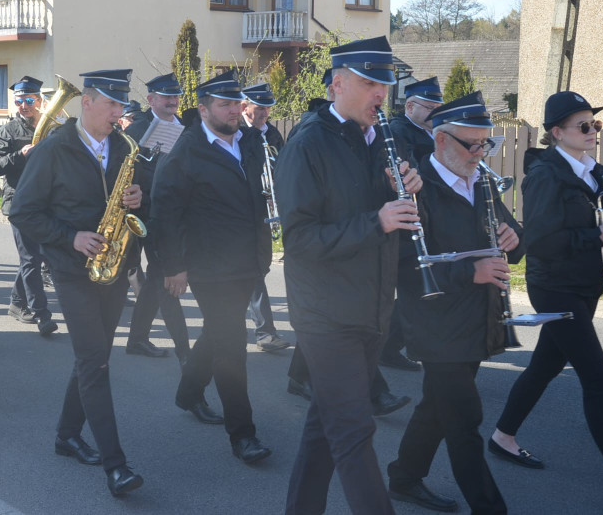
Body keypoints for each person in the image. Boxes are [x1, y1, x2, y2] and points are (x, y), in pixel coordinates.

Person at [276, 35, 422, 514]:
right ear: (337, 84)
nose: (381, 93)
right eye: (369, 82)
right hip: (325, 314)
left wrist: (404, 191)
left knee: (326, 427)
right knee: (355, 433)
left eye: (385, 83)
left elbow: (382, 218)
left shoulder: (380, 137)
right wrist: (376, 219)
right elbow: (298, 242)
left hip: (370, 308)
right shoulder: (307, 144)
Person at [10, 69, 145, 497]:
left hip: (112, 266)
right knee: (94, 363)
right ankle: (116, 466)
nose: (119, 114)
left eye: (122, 106)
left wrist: (139, 198)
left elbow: (138, 197)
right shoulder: (53, 149)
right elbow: (23, 213)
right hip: (72, 271)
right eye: (112, 105)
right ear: (86, 102)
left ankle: (67, 435)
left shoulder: (124, 146)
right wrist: (70, 237)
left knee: (95, 357)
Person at [386, 91, 523, 514]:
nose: (481, 153)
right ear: (441, 140)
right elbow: (404, 270)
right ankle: (489, 507)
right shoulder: (415, 189)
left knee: (436, 406)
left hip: (477, 318)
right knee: (464, 419)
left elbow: (511, 232)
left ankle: (404, 476)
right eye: (473, 144)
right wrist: (472, 271)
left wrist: (515, 239)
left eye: (486, 144)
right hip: (435, 323)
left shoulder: (479, 178)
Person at [491, 91, 603, 476]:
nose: (592, 130)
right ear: (557, 132)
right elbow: (540, 241)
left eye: (593, 124)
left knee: (546, 364)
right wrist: (598, 234)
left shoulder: (591, 170)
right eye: (583, 125)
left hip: (584, 283)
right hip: (556, 285)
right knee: (597, 380)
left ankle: (502, 437)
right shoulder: (545, 175)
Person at [152, 70, 273, 464]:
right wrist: (173, 266)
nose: (234, 110)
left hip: (247, 259)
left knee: (220, 333)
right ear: (203, 109)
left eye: (236, 103)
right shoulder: (185, 151)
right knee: (231, 346)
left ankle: (187, 393)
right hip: (208, 265)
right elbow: (165, 213)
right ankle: (243, 434)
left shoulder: (251, 140)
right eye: (223, 104)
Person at [124, 73, 190, 362]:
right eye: (166, 96)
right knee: (165, 277)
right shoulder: (138, 129)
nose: (172, 101)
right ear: (151, 99)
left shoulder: (185, 128)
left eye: (175, 96)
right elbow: (127, 172)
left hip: (173, 212)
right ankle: (185, 353)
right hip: (146, 212)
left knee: (154, 279)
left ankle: (137, 339)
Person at [380, 76, 444, 374]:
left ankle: (390, 346)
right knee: (411, 289)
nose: (435, 113)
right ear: (410, 106)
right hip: (407, 222)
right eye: (429, 107)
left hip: (429, 218)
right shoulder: (398, 130)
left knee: (416, 289)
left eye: (438, 107)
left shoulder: (436, 133)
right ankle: (389, 347)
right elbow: (407, 169)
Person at [0, 75, 58, 335]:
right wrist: (20, 154)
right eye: (19, 101)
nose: (24, 105)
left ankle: (17, 303)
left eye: (29, 100)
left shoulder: (53, 128)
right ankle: (41, 313)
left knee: (38, 257)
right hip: (19, 202)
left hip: (48, 202)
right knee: (30, 258)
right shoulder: (7, 131)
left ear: (40, 101)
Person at [240, 82, 290, 352]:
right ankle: (265, 332)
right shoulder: (235, 132)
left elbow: (280, 164)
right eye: (259, 109)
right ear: (244, 107)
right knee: (254, 270)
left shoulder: (271, 134)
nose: (264, 115)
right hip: (242, 208)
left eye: (268, 109)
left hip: (265, 208)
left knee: (262, 265)